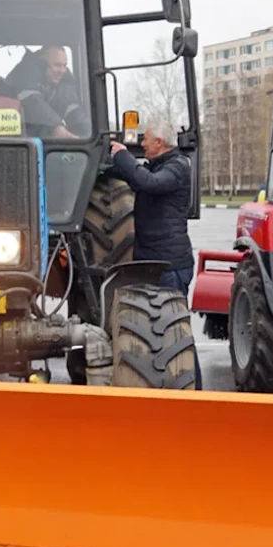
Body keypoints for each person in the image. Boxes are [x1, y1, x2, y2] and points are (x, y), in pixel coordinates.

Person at [108, 117, 203, 389]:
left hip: (170, 266)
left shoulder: (177, 168)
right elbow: (135, 175)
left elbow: (146, 182)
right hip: (154, 262)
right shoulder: (159, 165)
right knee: (159, 331)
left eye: (146, 139)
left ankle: (195, 392)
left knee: (178, 333)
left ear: (159, 142)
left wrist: (122, 155)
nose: (142, 144)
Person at [0, 46, 87, 138]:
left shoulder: (64, 78)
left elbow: (70, 107)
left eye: (64, 66)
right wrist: (56, 127)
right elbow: (32, 101)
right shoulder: (25, 73)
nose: (62, 70)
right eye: (57, 65)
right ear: (42, 64)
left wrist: (87, 130)